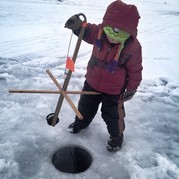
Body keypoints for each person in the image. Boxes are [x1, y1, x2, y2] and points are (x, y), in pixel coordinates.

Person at [65, 0, 142, 152]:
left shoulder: (133, 47)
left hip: (114, 90)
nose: (112, 37)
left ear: (129, 32)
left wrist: (132, 88)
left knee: (112, 116)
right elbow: (87, 32)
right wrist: (78, 26)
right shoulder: (100, 32)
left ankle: (116, 136)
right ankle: (80, 123)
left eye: (118, 33)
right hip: (92, 82)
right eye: (110, 30)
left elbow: (135, 69)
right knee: (85, 107)